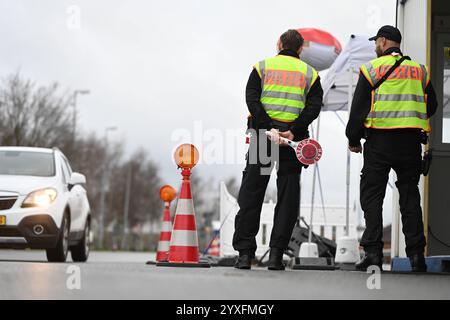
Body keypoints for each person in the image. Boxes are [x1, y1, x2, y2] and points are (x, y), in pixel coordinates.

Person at [346, 25, 438, 272]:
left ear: (384, 41)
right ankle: (417, 256)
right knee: (410, 197)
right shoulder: (420, 71)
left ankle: (373, 254)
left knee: (373, 196)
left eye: (377, 41)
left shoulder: (371, 69)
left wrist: (353, 139)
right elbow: (433, 105)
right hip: (409, 142)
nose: (376, 45)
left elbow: (358, 110)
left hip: (379, 142)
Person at [233, 29, 323, 270]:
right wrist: (293, 130)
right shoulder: (310, 74)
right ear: (301, 48)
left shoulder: (262, 67)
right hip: (294, 144)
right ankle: (276, 256)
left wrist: (267, 127)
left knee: (253, 192)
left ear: (279, 44)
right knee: (288, 196)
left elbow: (251, 98)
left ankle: (244, 255)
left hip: (264, 139)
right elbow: (314, 106)